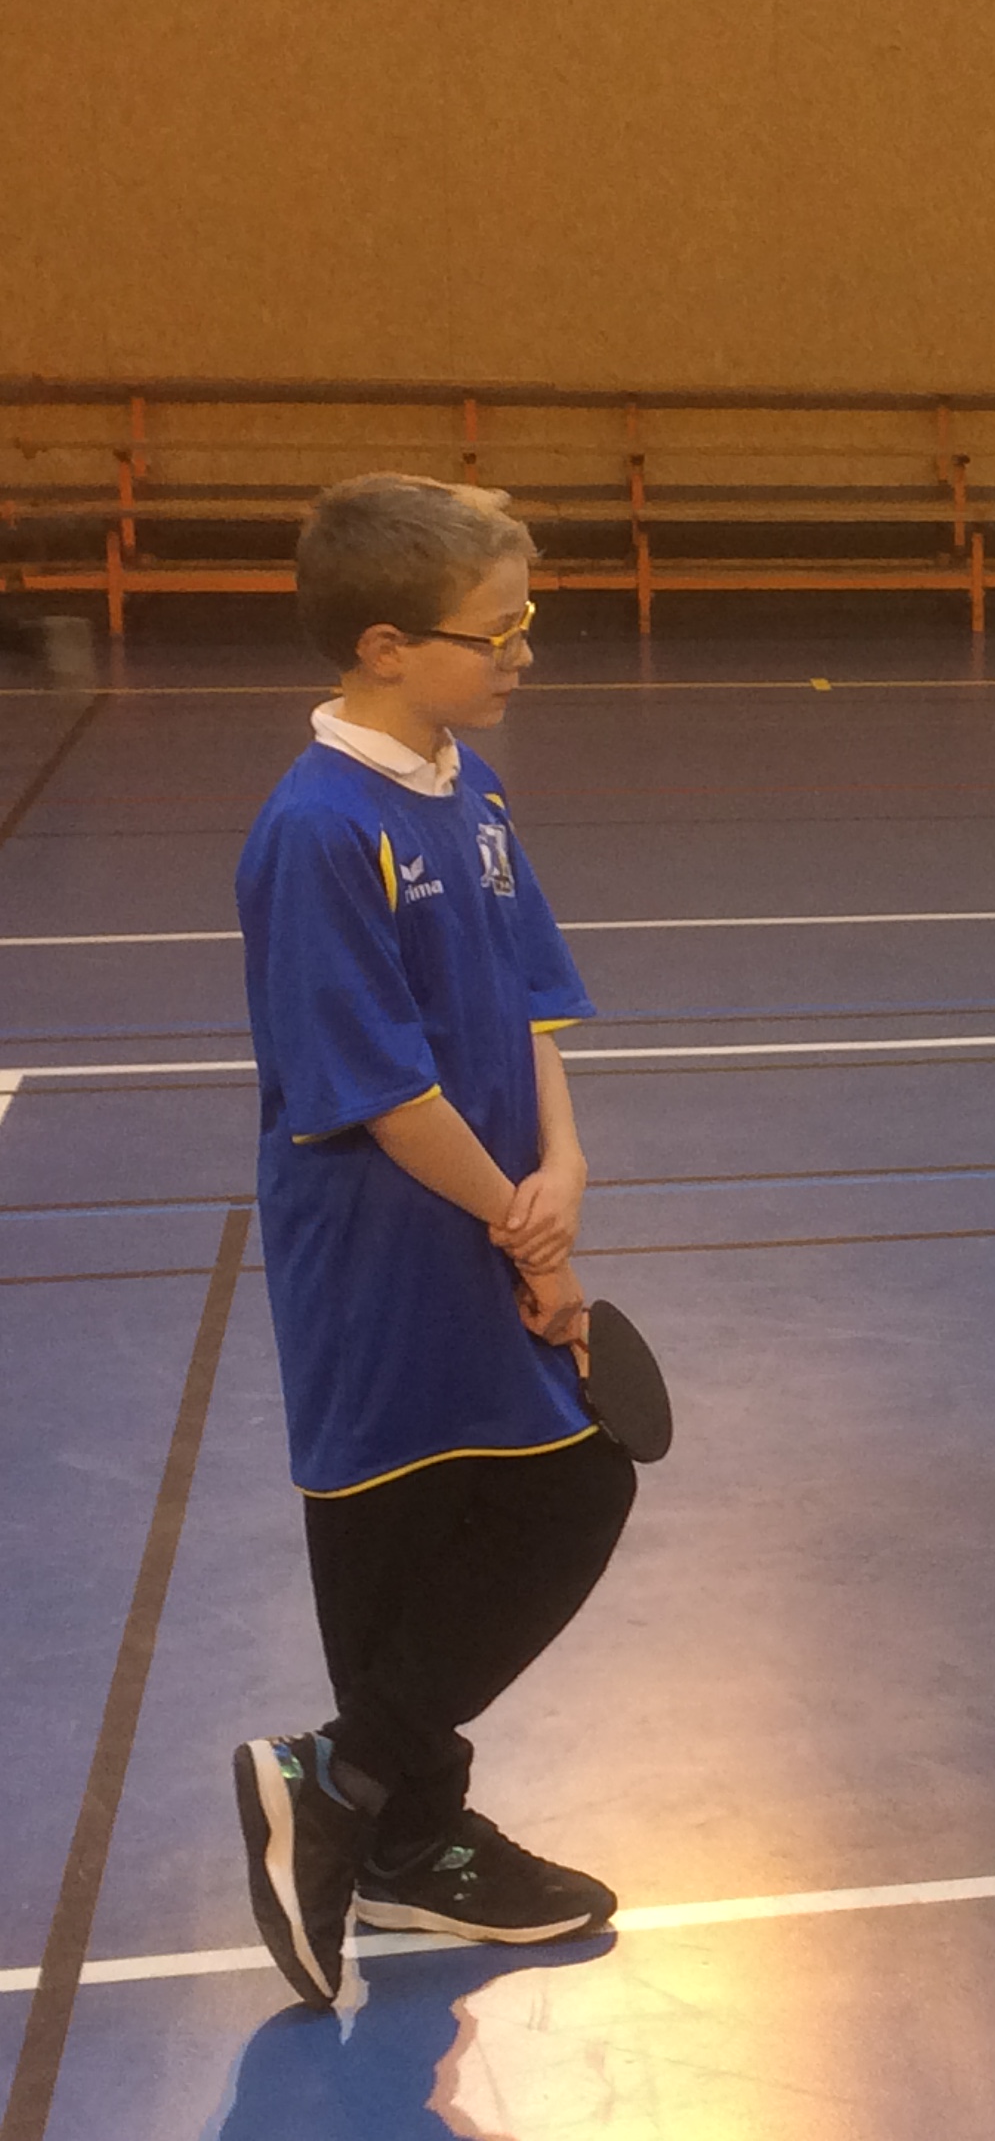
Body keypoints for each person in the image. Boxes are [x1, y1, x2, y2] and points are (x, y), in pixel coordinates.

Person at [230, 474, 632, 2010]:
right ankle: (375, 1802)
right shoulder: (318, 830)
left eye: (528, 618)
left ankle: (383, 1818)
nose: (525, 651)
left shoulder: (471, 789)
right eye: (498, 629)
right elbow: (384, 1094)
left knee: (548, 1485)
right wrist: (524, 1226)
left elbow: (526, 1000)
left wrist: (563, 1170)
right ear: (387, 647)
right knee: (441, 1519)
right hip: (382, 1244)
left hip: (490, 1208)